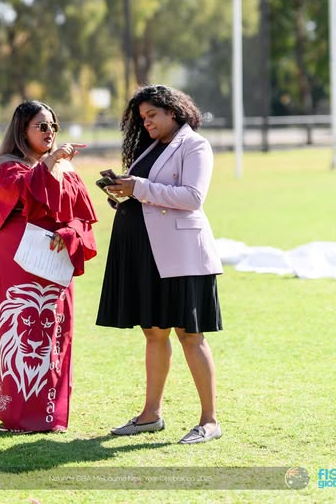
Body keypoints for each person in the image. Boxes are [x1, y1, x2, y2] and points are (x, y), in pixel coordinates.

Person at [96, 84, 223, 445]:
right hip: (145, 253)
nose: (147, 122)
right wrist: (124, 195)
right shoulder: (150, 148)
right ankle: (151, 415)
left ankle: (209, 420)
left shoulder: (195, 145)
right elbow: (147, 191)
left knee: (190, 335)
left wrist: (138, 188)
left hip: (183, 255)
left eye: (152, 115)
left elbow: (193, 197)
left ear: (173, 111)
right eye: (142, 118)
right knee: (153, 332)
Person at [0, 100, 97, 433]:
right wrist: (50, 161)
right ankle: (17, 415)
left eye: (53, 126)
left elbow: (83, 218)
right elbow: (25, 192)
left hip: (55, 261)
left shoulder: (66, 170)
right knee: (19, 328)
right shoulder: (7, 167)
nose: (50, 133)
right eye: (42, 126)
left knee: (54, 330)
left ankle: (50, 415)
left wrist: (69, 232)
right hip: (18, 261)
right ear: (23, 130)